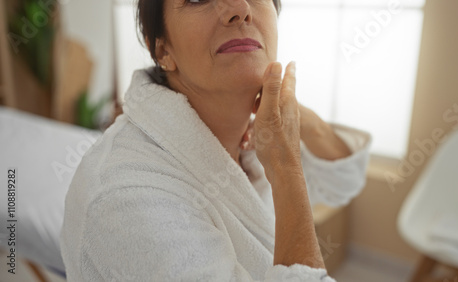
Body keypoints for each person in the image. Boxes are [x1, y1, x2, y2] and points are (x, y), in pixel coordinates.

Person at [60, 0, 371, 281]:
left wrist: (300, 120)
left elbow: (342, 180)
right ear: (162, 50)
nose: (239, 7)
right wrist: (285, 169)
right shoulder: (125, 197)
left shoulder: (252, 138)